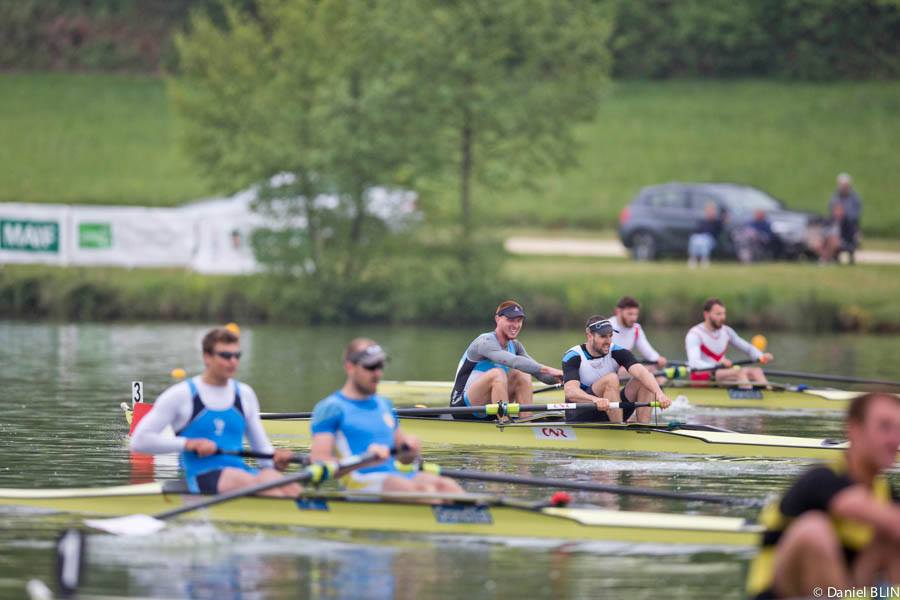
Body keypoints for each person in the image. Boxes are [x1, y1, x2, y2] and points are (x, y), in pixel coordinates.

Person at [746, 392, 900, 599]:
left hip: (839, 589)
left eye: (898, 429)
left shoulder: (886, 494)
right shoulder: (820, 480)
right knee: (814, 529)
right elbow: (860, 507)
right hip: (779, 592)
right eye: (884, 427)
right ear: (854, 429)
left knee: (889, 540)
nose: (894, 439)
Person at [131, 327, 299, 496]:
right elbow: (139, 441)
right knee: (258, 482)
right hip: (202, 477)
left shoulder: (245, 394)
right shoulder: (181, 395)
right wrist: (189, 444)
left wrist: (275, 461)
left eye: (236, 356)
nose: (233, 361)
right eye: (225, 356)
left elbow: (262, 451)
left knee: (289, 486)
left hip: (240, 473)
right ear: (207, 357)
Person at [310, 338, 463, 494]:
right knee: (421, 489)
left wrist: (410, 450)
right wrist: (365, 458)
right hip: (360, 481)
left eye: (380, 366)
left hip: (395, 477)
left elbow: (404, 459)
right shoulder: (331, 408)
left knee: (447, 485)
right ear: (350, 367)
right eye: (370, 367)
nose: (377, 373)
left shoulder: (384, 405)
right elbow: (320, 463)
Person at [449, 300, 563, 419]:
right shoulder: (484, 342)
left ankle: (527, 422)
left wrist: (564, 378)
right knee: (497, 374)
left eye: (519, 321)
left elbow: (538, 373)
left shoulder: (515, 346)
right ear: (497, 319)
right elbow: (515, 362)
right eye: (511, 320)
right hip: (462, 408)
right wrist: (551, 370)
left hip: (490, 408)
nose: (516, 325)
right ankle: (504, 422)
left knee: (522, 374)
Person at [561, 316, 672, 423]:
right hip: (580, 413)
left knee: (645, 380)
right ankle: (618, 428)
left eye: (610, 336)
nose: (608, 341)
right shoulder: (573, 356)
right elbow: (571, 392)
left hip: (611, 408)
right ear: (590, 336)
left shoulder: (617, 351)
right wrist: (595, 400)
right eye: (603, 336)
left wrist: (659, 393)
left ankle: (643, 429)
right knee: (611, 379)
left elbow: (641, 372)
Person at [685, 298, 773, 384]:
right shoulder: (695, 334)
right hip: (701, 375)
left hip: (721, 373)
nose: (723, 317)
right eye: (718, 314)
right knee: (739, 372)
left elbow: (748, 348)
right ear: (706, 314)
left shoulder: (727, 332)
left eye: (724, 314)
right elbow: (694, 363)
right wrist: (717, 365)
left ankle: (769, 395)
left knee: (756, 371)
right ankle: (747, 395)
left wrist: (761, 356)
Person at [609, 296, 667, 370]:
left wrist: (658, 359)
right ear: (618, 311)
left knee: (658, 375)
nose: (634, 318)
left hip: (624, 367)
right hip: (608, 369)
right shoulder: (608, 327)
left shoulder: (636, 329)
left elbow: (647, 351)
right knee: (645, 371)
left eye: (636, 314)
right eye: (630, 314)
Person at [688, 202, 724, 268]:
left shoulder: (717, 222)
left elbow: (718, 231)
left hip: (711, 240)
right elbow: (697, 231)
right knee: (694, 238)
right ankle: (693, 259)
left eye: (711, 211)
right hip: (701, 238)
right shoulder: (702, 221)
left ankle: (704, 260)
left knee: (704, 241)